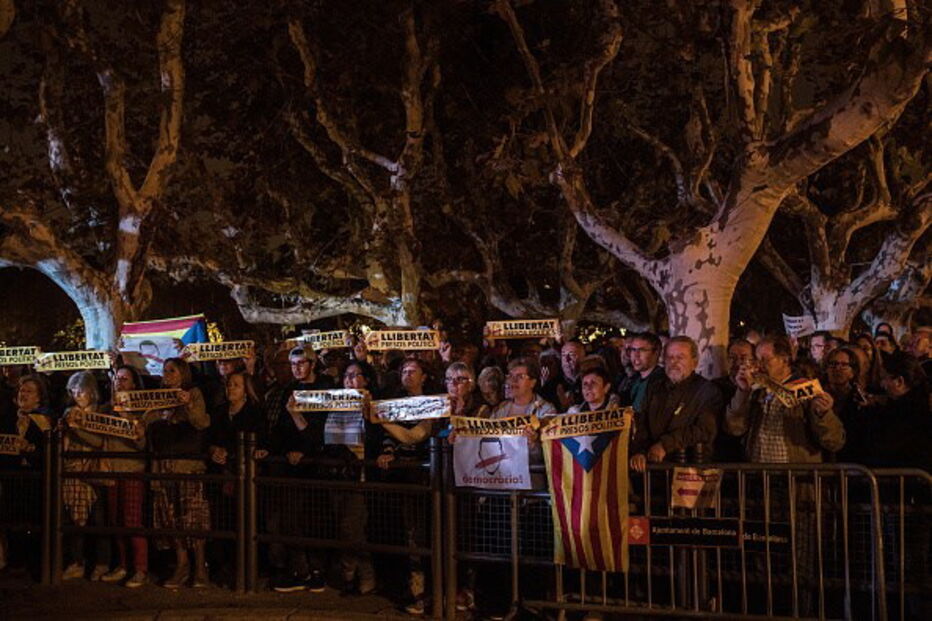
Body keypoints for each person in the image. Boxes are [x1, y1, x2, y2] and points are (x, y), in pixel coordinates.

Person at [268, 346, 334, 594]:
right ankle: (300, 570)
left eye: (301, 363)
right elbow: (283, 429)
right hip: (292, 466)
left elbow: (321, 431)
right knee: (292, 520)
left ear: (312, 363)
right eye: (292, 364)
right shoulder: (289, 389)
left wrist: (303, 447)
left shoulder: (325, 389)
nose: (296, 368)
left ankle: (317, 572)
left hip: (316, 465)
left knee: (314, 520)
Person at [377, 357, 437, 615]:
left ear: (424, 377)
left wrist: (381, 420)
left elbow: (417, 435)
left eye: (413, 371)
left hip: (423, 478)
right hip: (400, 478)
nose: (408, 375)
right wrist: (387, 450)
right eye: (404, 370)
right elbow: (386, 439)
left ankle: (426, 593)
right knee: (404, 534)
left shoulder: (432, 403)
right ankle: (411, 589)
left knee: (422, 535)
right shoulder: (393, 401)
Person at [724, 335, 844, 463]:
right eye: (757, 360)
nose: (759, 366)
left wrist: (824, 414)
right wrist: (742, 392)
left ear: (785, 360)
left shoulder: (806, 390)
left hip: (794, 477)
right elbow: (734, 428)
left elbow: (834, 441)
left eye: (765, 360)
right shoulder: (755, 391)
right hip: (758, 477)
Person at [147, 357, 211, 589]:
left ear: (183, 373)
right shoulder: (158, 397)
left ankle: (200, 568)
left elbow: (201, 423)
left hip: (188, 466)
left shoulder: (193, 393)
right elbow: (148, 423)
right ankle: (182, 565)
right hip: (165, 465)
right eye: (165, 371)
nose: (167, 374)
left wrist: (188, 405)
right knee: (171, 519)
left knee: (193, 518)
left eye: (172, 370)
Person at [629, 337, 722, 472]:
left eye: (680, 357)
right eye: (670, 357)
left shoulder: (707, 392)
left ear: (694, 362)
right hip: (654, 469)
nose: (674, 362)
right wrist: (640, 452)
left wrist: (665, 445)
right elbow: (642, 422)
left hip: (690, 470)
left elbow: (704, 430)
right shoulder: (655, 388)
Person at [207, 371, 264, 586]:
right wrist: (214, 450)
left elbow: (258, 442)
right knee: (223, 522)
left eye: (236, 385)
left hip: (244, 477)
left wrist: (230, 453)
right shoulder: (219, 412)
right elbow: (209, 439)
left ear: (246, 391)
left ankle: (248, 569)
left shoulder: (254, 413)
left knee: (246, 521)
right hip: (221, 477)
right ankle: (225, 567)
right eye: (229, 384)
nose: (231, 388)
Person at [327, 361, 378, 596]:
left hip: (359, 474)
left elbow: (375, 437)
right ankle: (352, 573)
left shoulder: (370, 406)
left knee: (353, 526)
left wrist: (368, 412)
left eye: (356, 375)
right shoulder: (334, 406)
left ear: (366, 380)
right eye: (347, 375)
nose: (350, 380)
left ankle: (361, 574)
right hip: (337, 473)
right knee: (342, 525)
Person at [60, 371, 112, 582]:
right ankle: (77, 561)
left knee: (99, 519)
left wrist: (78, 429)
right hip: (73, 472)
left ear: (91, 392)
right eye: (73, 391)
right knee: (73, 519)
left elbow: (101, 441)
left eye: (81, 391)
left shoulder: (102, 412)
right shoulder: (68, 413)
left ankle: (101, 562)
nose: (77, 395)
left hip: (94, 470)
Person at [100, 365, 149, 588]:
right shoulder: (105, 410)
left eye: (125, 379)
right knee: (116, 520)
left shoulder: (143, 412)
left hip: (131, 470)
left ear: (134, 384)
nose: (119, 382)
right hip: (111, 470)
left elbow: (142, 445)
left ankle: (140, 568)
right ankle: (122, 565)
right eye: (117, 379)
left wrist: (130, 421)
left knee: (131, 520)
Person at [0, 375, 50, 573]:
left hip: (34, 477)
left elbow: (48, 452)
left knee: (33, 519)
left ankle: (33, 560)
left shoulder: (43, 422)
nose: (24, 394)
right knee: (12, 517)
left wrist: (30, 449)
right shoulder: (6, 418)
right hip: (12, 475)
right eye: (22, 391)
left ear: (38, 398)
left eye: (29, 391)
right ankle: (15, 559)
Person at [617, 332, 665, 415]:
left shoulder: (663, 382)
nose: (636, 355)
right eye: (633, 350)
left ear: (656, 353)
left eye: (642, 350)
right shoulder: (634, 380)